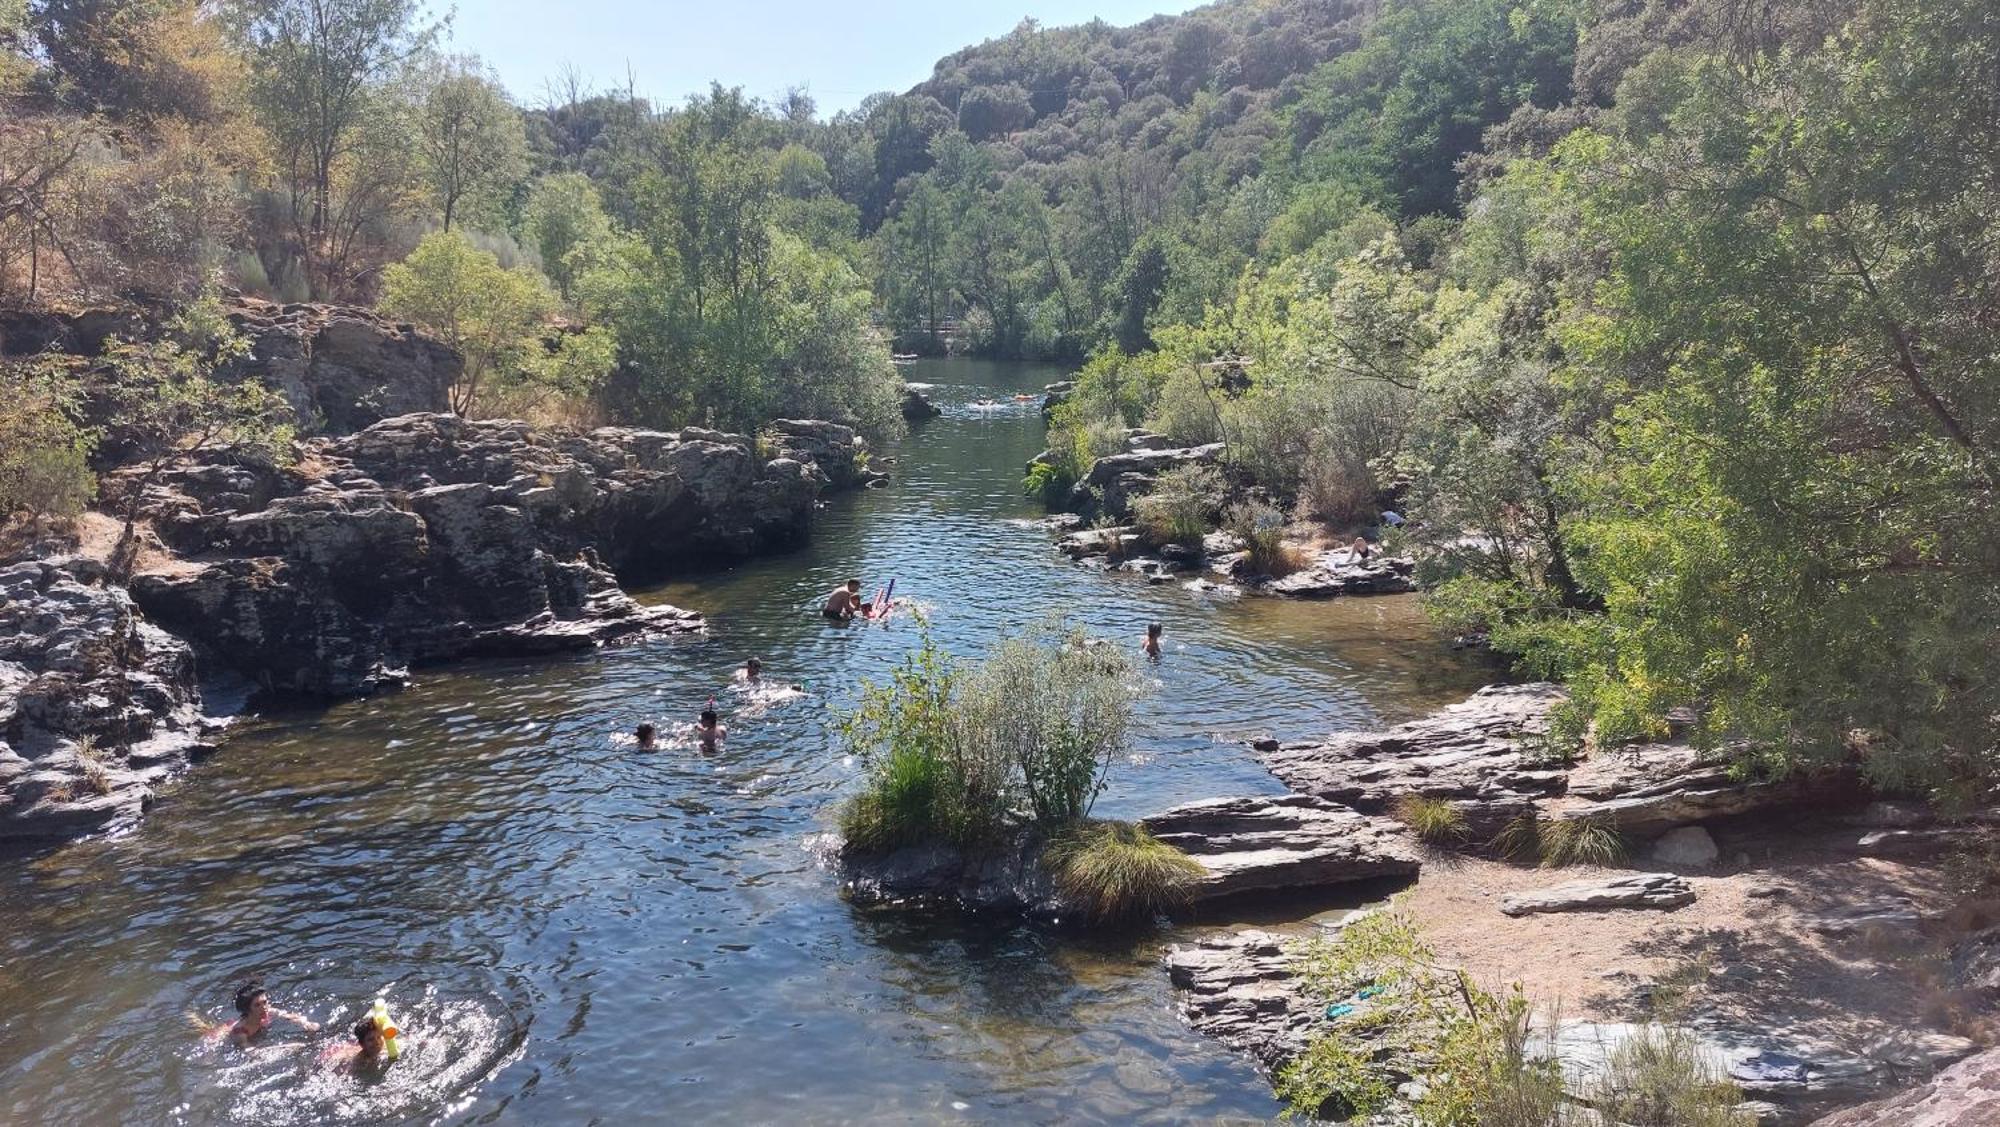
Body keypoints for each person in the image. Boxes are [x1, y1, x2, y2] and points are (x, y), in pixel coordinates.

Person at [228, 980, 318, 1046]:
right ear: (247, 1009)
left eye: (265, 1002)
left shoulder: (268, 1011)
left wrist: (306, 1023)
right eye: (257, 1005)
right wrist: (287, 1047)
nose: (264, 1008)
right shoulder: (240, 1032)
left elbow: (287, 1015)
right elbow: (252, 1053)